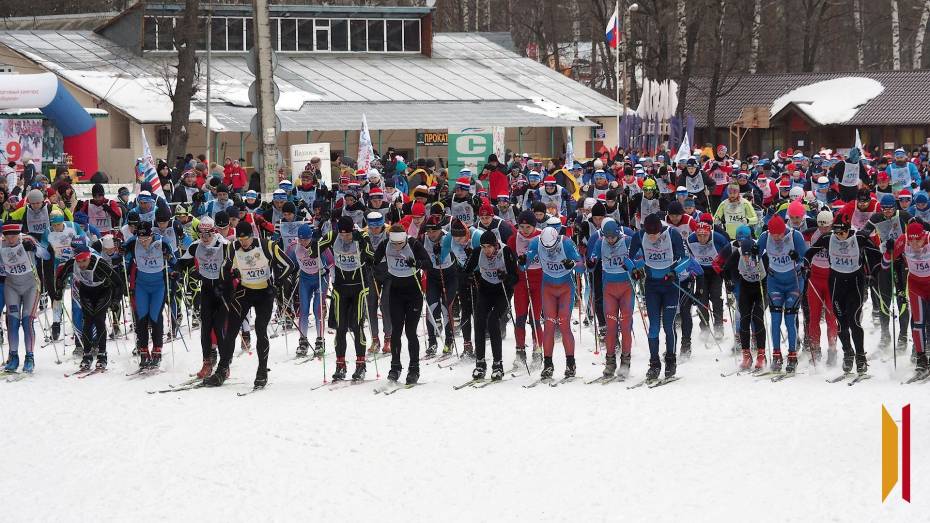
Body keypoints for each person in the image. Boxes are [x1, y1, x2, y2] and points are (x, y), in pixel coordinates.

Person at [220, 221, 296, 388]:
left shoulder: (266, 245)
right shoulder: (233, 247)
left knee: (261, 329)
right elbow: (224, 268)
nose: (243, 243)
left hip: (264, 293)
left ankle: (262, 371)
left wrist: (278, 283)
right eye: (240, 239)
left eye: (246, 239)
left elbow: (289, 264)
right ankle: (222, 369)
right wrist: (230, 275)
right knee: (231, 329)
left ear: (252, 235)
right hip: (244, 291)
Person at [804, 216, 880, 375]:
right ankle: (848, 353)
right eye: (836, 233)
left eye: (842, 233)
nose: (839, 236)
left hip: (855, 285)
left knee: (854, 321)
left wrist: (874, 272)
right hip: (837, 284)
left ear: (848, 230)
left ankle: (860, 356)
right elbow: (809, 253)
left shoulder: (858, 238)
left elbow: (876, 254)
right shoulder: (828, 238)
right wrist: (805, 265)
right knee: (841, 322)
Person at [311, 216, 374, 381]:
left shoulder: (362, 236)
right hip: (340, 287)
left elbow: (371, 256)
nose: (345, 238)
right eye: (342, 234)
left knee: (356, 324)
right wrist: (315, 240)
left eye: (348, 235)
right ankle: (340, 364)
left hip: (359, 287)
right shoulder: (333, 236)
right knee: (340, 326)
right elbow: (314, 251)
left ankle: (360, 364)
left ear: (353, 230)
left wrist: (362, 242)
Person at [628, 214, 689, 381]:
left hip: (670, 285)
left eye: (655, 234)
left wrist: (674, 272)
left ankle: (671, 360)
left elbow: (685, 259)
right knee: (653, 326)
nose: (652, 238)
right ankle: (654, 364)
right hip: (652, 286)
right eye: (649, 234)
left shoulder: (672, 234)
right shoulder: (640, 235)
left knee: (668, 326)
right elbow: (628, 258)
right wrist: (633, 269)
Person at [372, 223, 432, 384]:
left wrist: (417, 263)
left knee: (411, 332)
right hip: (395, 292)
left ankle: (414, 369)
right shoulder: (385, 244)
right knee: (396, 331)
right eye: (394, 244)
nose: (397, 247)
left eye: (400, 244)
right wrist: (375, 268)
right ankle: (395, 367)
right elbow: (374, 260)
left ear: (404, 239)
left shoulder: (413, 244)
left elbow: (429, 263)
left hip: (413, 293)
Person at [523, 226, 584, 380]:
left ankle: (570, 363)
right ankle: (548, 365)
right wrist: (522, 261)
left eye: (551, 246)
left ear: (556, 239)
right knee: (549, 325)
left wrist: (573, 264)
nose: (549, 250)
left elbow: (582, 266)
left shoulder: (566, 243)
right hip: (548, 288)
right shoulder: (536, 243)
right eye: (546, 247)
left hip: (565, 289)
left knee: (564, 325)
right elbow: (524, 265)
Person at [55, 244, 124, 372]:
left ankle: (102, 355)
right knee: (87, 321)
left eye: (84, 260)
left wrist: (115, 301)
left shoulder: (100, 264)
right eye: (79, 261)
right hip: (86, 291)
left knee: (98, 319)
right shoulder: (72, 263)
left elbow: (118, 283)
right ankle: (87, 355)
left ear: (89, 257)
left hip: (103, 291)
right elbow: (61, 276)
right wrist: (58, 290)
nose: (81, 264)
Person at [177, 217, 230, 380]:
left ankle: (224, 366)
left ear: (214, 232)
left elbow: (236, 264)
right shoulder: (195, 246)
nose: (204, 238)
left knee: (220, 328)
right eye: (201, 234)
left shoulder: (225, 245)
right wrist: (175, 272)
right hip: (207, 289)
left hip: (223, 290)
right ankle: (207, 362)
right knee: (205, 327)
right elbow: (182, 263)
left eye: (207, 234)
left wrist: (229, 278)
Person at [463, 229, 519, 381]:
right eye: (483, 247)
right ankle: (480, 362)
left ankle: (498, 364)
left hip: (503, 291)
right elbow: (465, 270)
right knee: (479, 321)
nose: (486, 250)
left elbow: (516, 278)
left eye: (489, 247)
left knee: (493, 321)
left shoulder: (506, 251)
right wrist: (469, 274)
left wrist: (506, 277)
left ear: (495, 245)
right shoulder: (477, 252)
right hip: (486, 290)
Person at [757, 215, 808, 373]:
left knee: (789, 319)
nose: (776, 237)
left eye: (779, 234)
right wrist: (754, 253)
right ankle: (777, 355)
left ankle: (792, 355)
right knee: (776, 319)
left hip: (794, 281)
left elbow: (806, 260)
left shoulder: (795, 236)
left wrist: (798, 258)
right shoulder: (765, 236)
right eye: (774, 234)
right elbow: (755, 256)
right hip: (775, 282)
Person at [123, 221, 177, 370]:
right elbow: (122, 255)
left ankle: (157, 350)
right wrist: (120, 253)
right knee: (141, 316)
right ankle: (143, 350)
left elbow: (174, 262)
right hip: (141, 285)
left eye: (146, 239)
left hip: (158, 285)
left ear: (151, 235)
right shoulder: (133, 242)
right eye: (140, 239)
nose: (143, 242)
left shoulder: (162, 242)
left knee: (154, 316)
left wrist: (171, 264)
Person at [586, 218, 635, 378]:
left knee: (626, 326)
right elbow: (591, 261)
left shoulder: (627, 241)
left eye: (612, 238)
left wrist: (632, 265)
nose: (610, 241)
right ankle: (610, 362)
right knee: (611, 326)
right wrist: (589, 261)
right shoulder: (601, 242)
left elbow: (641, 261)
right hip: (609, 290)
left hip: (626, 289)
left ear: (617, 234)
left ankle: (626, 361)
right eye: (607, 238)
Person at [718, 237, 767, 370]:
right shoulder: (738, 253)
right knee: (744, 319)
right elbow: (726, 268)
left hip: (761, 288)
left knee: (757, 318)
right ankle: (746, 355)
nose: (746, 258)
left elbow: (771, 269)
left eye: (749, 255)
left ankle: (761, 354)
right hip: (746, 287)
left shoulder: (762, 253)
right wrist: (728, 282)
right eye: (744, 255)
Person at [0, 223, 42, 373]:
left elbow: (46, 254)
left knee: (27, 321)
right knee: (12, 321)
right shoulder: (1, 244)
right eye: (7, 236)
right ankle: (13, 356)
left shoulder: (28, 239)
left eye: (14, 235)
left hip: (31, 286)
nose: (10, 239)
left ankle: (29, 357)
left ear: (19, 234)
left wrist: (34, 248)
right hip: (11, 286)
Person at [802, 211, 840, 365]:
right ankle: (815, 350)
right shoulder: (811, 235)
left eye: (827, 226)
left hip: (831, 280)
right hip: (815, 280)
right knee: (814, 317)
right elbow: (805, 253)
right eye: (821, 225)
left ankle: (832, 349)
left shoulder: (837, 236)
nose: (823, 229)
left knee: (832, 317)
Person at [286, 223, 330, 358]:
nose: (304, 242)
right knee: (303, 310)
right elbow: (287, 261)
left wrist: (327, 272)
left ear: (311, 237)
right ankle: (303, 341)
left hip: (319, 279)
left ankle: (320, 340)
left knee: (317, 310)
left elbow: (332, 261)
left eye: (306, 239)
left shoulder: (320, 245)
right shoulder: (294, 247)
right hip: (305, 279)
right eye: (301, 239)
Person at [507, 211, 543, 368]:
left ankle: (538, 351)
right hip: (522, 282)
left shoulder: (542, 237)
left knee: (535, 319)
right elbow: (508, 258)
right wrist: (511, 274)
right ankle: (520, 351)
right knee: (520, 317)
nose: (524, 230)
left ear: (534, 226)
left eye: (528, 227)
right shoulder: (514, 239)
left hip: (539, 281)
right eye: (521, 226)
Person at [421, 214, 457, 358]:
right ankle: (432, 342)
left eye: (434, 231)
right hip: (433, 276)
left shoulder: (448, 238)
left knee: (445, 307)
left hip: (449, 276)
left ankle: (449, 340)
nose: (431, 234)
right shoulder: (423, 238)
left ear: (440, 230)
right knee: (431, 307)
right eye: (428, 231)